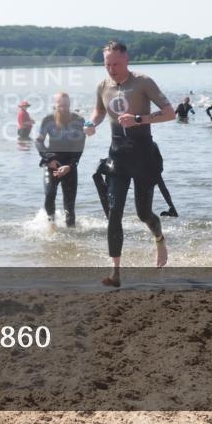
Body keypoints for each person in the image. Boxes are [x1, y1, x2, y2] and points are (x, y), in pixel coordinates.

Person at [84, 41, 176, 287]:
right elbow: (99, 111)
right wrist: (90, 124)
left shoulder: (143, 82)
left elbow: (170, 113)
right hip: (117, 158)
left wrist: (138, 119)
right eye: (107, 64)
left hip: (143, 156)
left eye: (115, 64)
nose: (111, 69)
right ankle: (115, 272)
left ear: (127, 59)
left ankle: (159, 238)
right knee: (114, 212)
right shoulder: (103, 86)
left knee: (143, 213)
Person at [35, 92, 86, 227]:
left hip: (69, 165)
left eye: (66, 105)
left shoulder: (78, 121)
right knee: (49, 195)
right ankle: (51, 225)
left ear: (70, 104)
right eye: (60, 105)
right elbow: (39, 141)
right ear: (55, 105)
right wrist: (48, 159)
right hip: (53, 164)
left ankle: (72, 235)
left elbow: (80, 145)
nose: (64, 108)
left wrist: (70, 165)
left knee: (69, 207)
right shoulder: (48, 120)